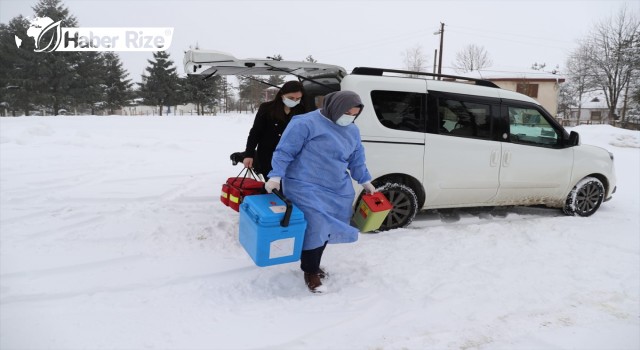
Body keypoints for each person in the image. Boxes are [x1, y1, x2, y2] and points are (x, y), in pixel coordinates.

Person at [264, 91, 376, 293]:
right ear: (335, 107)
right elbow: (285, 151)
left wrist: (365, 180)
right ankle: (310, 270)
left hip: (336, 187)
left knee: (324, 229)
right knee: (317, 225)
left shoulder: (352, 130)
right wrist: (276, 175)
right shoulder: (305, 123)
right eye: (347, 112)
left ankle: (313, 263)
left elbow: (357, 157)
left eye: (354, 114)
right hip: (304, 184)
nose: (349, 117)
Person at [242, 81, 307, 179]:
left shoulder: (303, 111)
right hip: (267, 156)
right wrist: (249, 154)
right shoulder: (266, 108)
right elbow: (255, 132)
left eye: (298, 99)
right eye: (291, 98)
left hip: (292, 157)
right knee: (271, 186)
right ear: (282, 94)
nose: (294, 101)